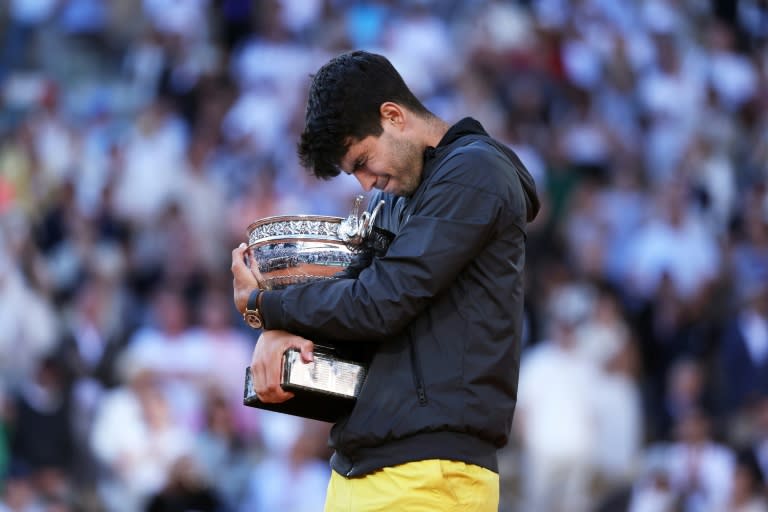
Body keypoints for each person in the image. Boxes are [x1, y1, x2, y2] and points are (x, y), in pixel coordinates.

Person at [230, 50, 540, 511]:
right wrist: (280, 333)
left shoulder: (475, 173)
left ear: (393, 116)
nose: (365, 183)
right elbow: (352, 308)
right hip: (358, 471)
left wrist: (266, 307)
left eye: (362, 161)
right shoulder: (395, 199)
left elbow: (380, 301)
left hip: (432, 476)